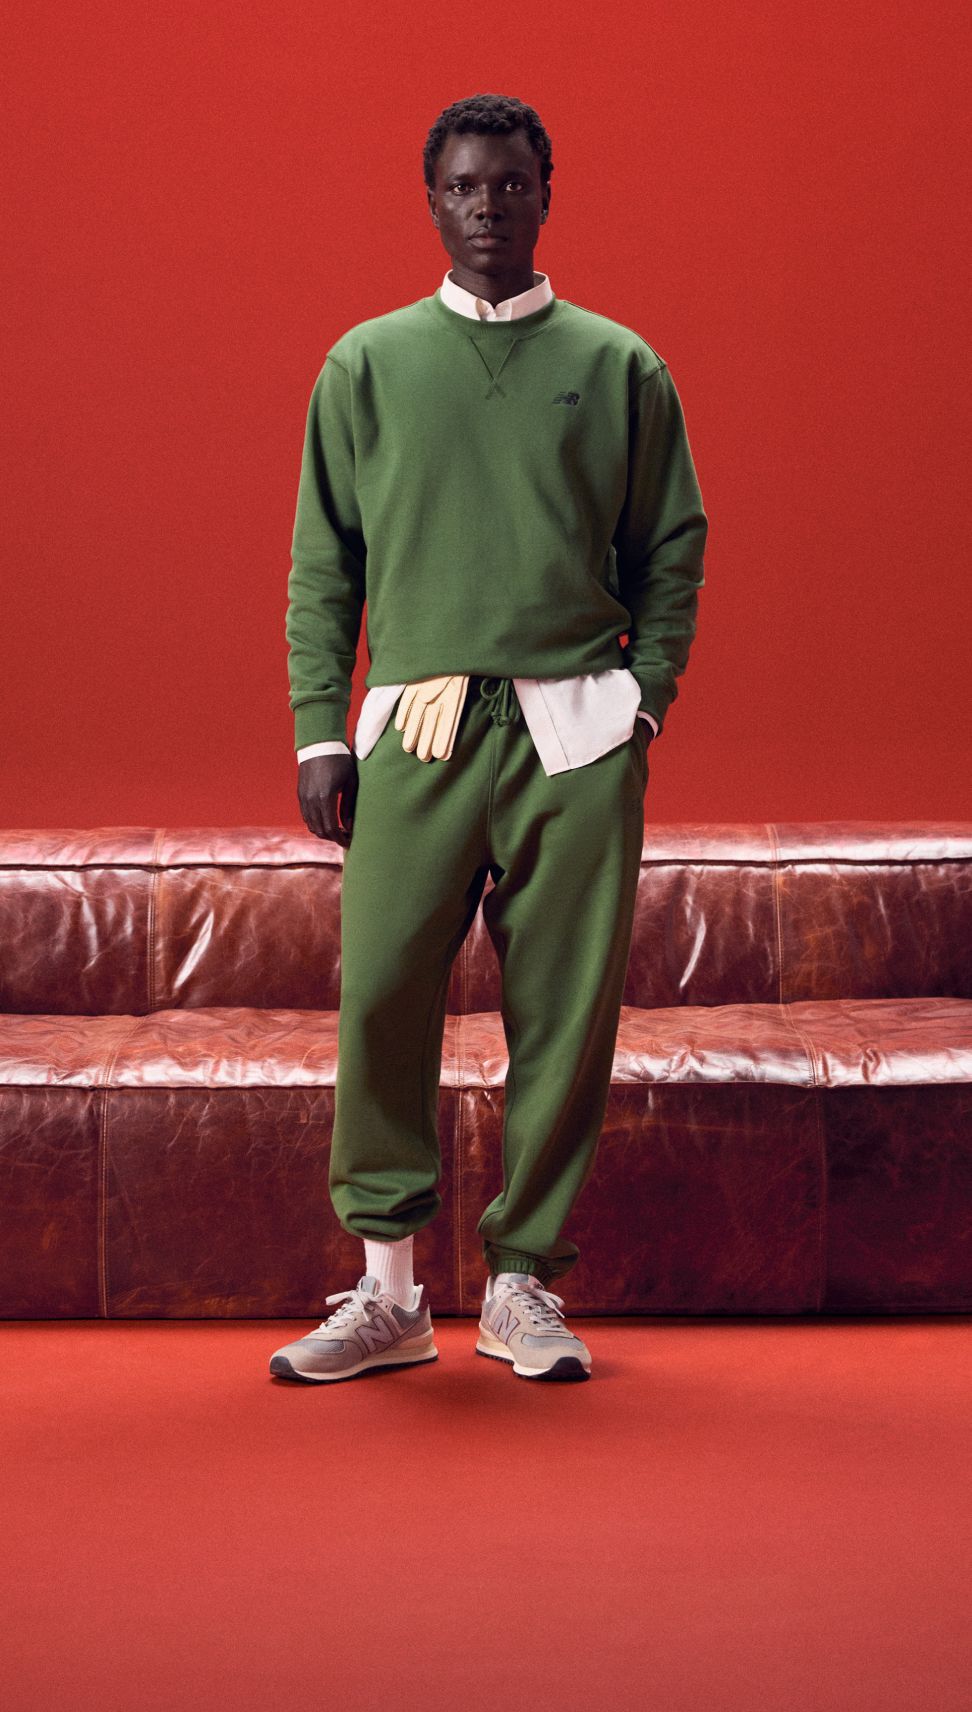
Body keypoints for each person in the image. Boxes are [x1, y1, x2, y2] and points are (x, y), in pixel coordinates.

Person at [270, 92, 707, 1385]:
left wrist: (647, 699)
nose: (486, 209)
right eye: (463, 187)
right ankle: (391, 1292)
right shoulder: (366, 365)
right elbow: (321, 562)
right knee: (384, 997)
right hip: (419, 724)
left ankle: (525, 1283)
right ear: (434, 200)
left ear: (544, 194)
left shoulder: (622, 366)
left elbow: (671, 547)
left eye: (509, 186)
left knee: (566, 1012)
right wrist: (317, 730)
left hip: (577, 730)